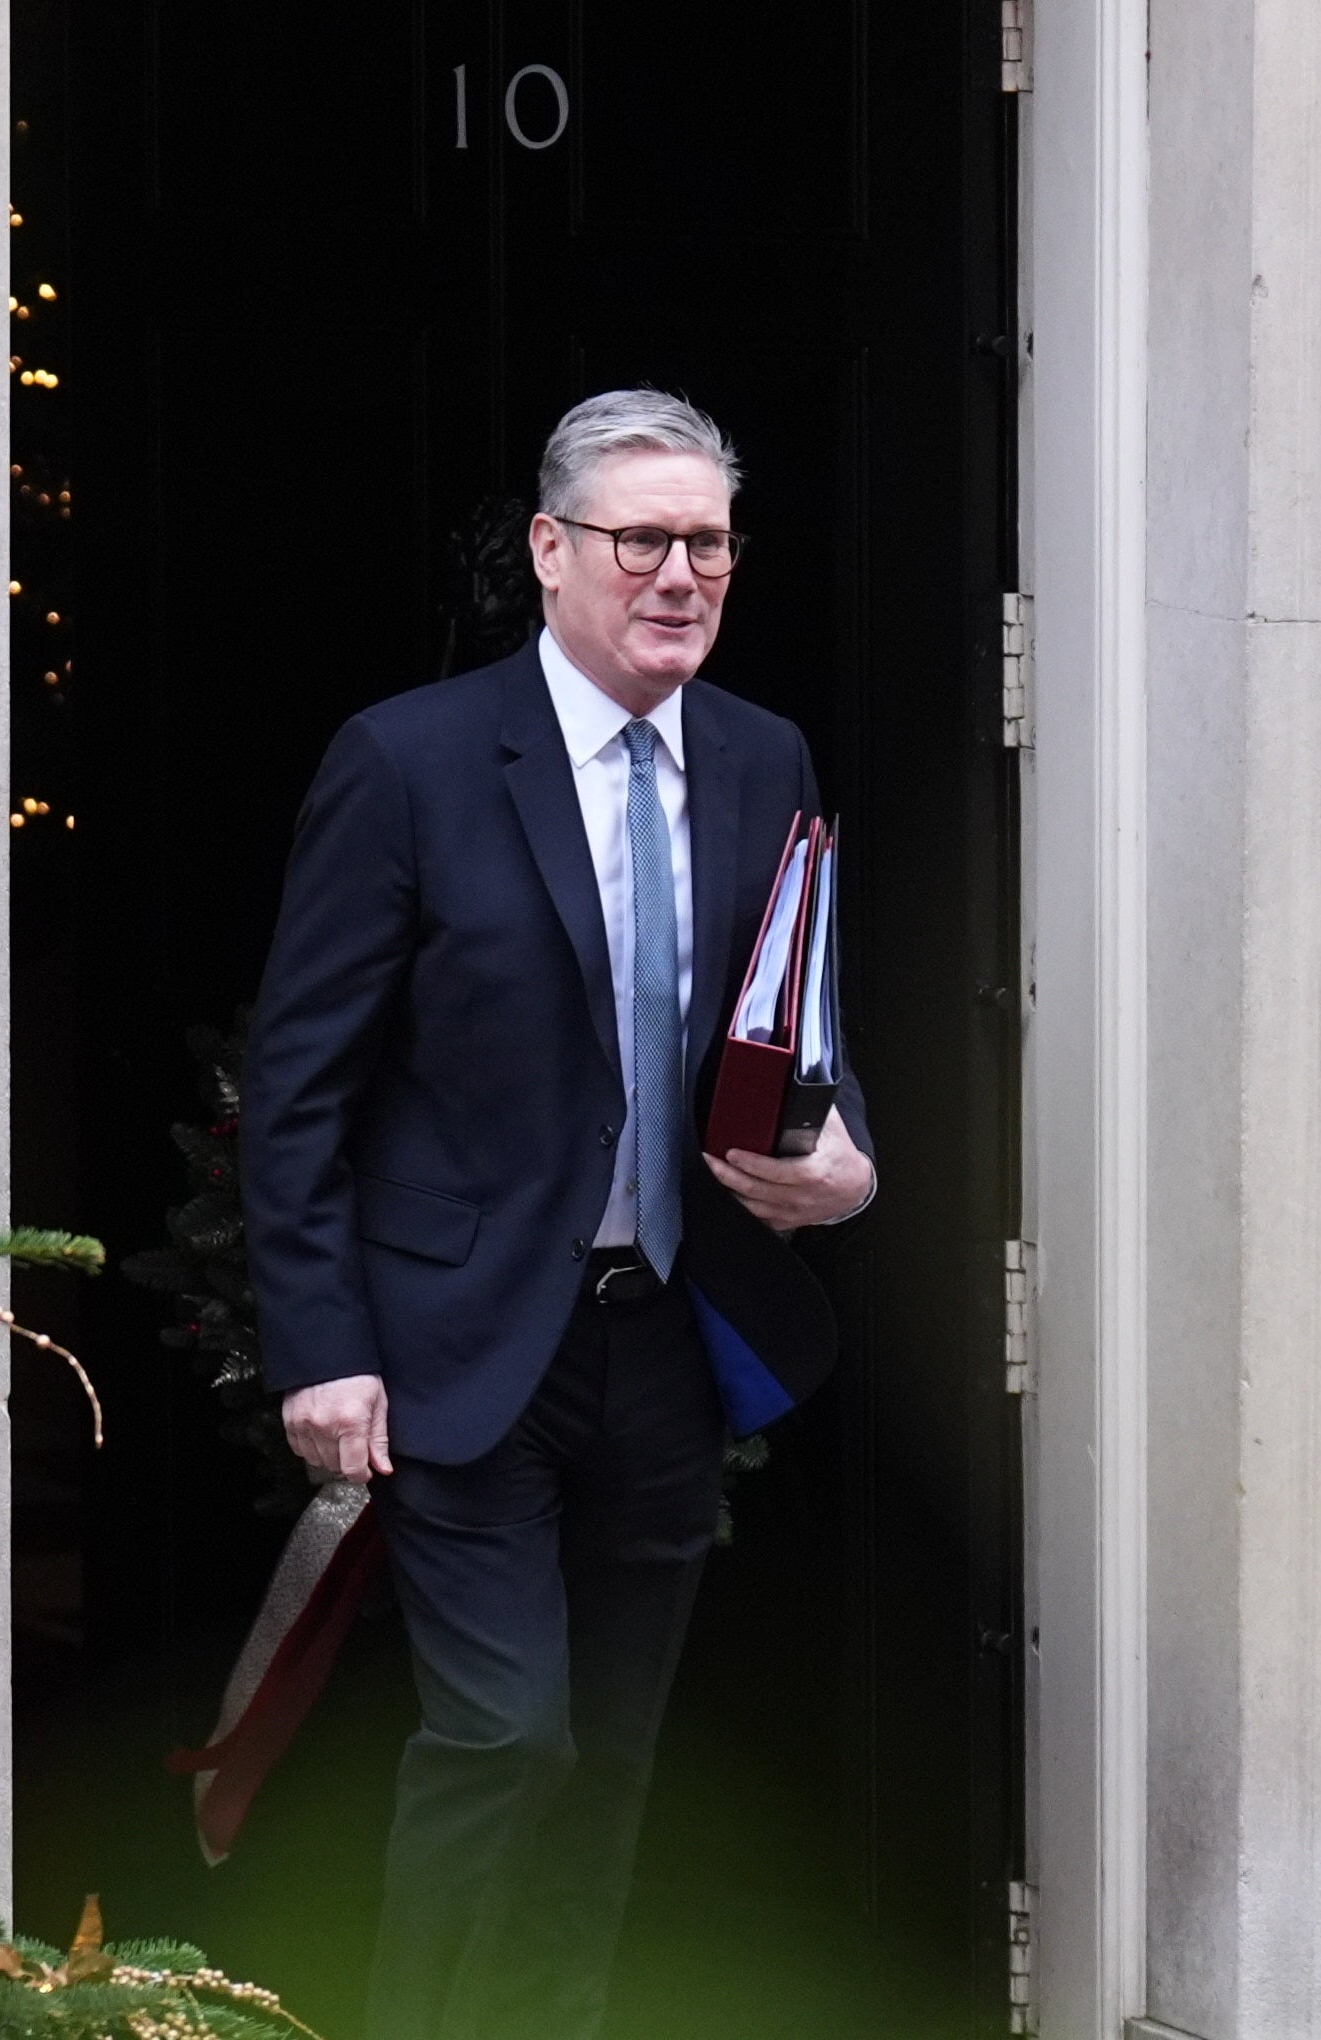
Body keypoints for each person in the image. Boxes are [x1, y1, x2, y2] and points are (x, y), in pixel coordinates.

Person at [240, 389, 876, 2040]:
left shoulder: (761, 754)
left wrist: (846, 1159)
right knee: (507, 1739)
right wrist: (321, 1348)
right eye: (643, 541)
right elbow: (298, 1083)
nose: (681, 575)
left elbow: (792, 1018)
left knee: (608, 1766)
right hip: (464, 1344)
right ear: (549, 552)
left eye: (709, 544)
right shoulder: (410, 761)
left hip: (664, 1339)